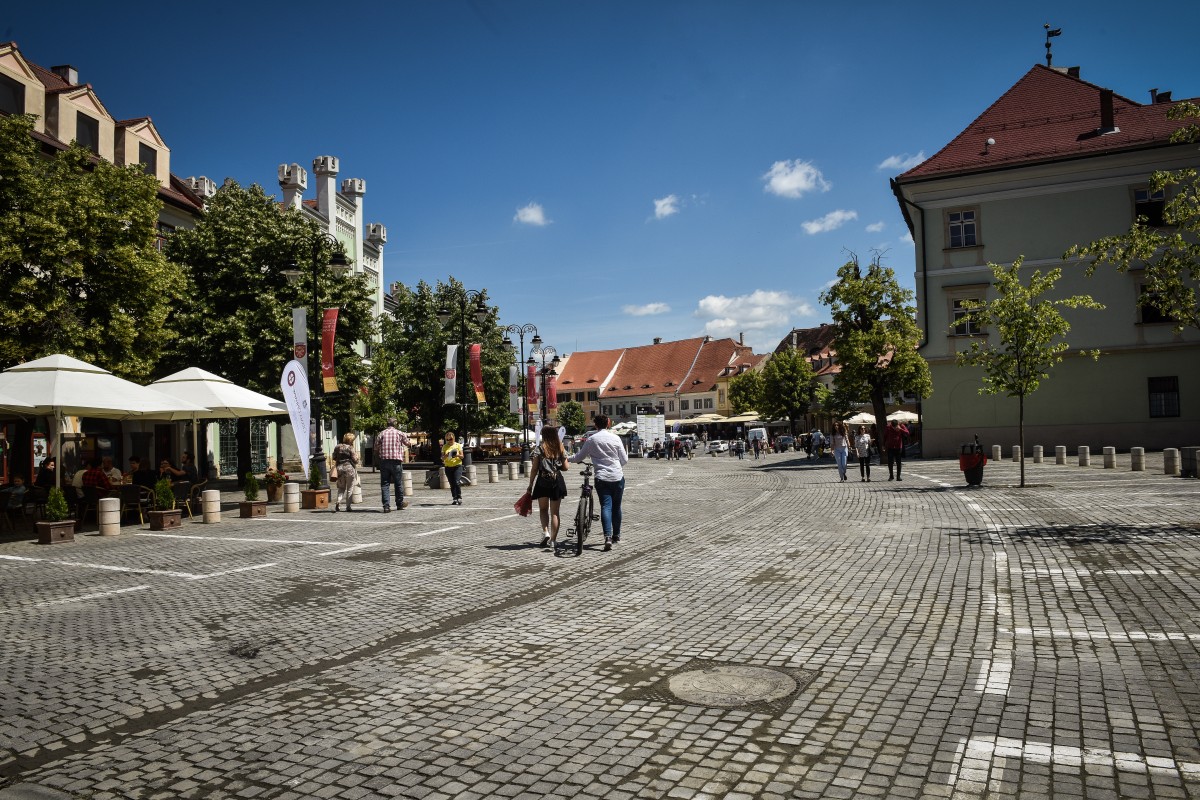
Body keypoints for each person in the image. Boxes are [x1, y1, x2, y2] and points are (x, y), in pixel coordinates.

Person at [569, 415, 628, 552]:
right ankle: (616, 535)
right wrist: (615, 467)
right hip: (617, 477)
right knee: (616, 506)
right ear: (608, 423)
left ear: (595, 425)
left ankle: (607, 537)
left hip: (601, 477)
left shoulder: (591, 439)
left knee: (606, 506)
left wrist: (568, 459)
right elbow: (624, 460)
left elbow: (579, 457)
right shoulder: (616, 438)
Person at [527, 426, 568, 549]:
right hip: (556, 481)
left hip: (542, 481)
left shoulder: (539, 449)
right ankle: (553, 541)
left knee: (543, 509)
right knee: (555, 513)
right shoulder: (560, 447)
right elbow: (566, 467)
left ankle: (546, 532)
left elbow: (534, 468)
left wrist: (530, 485)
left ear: (543, 436)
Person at [375, 417, 411, 512]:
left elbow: (376, 447)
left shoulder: (381, 433)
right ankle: (399, 504)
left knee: (385, 484)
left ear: (387, 424)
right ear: (395, 424)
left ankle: (386, 506)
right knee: (398, 483)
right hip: (396, 462)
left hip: (384, 461)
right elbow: (408, 443)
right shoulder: (399, 433)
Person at [332, 432, 359, 512]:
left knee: (341, 488)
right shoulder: (350, 448)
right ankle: (348, 506)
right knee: (350, 488)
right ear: (350, 440)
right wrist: (357, 458)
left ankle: (338, 501)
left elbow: (334, 457)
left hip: (340, 469)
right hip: (349, 469)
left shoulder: (338, 447)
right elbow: (355, 460)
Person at [442, 432, 464, 506]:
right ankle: (454, 498)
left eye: (451, 439)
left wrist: (457, 455)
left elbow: (462, 456)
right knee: (452, 484)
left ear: (454, 438)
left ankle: (459, 497)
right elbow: (442, 458)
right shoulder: (444, 447)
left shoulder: (458, 445)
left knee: (456, 481)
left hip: (457, 466)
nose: (449, 440)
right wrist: (446, 455)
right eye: (448, 439)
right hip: (448, 467)